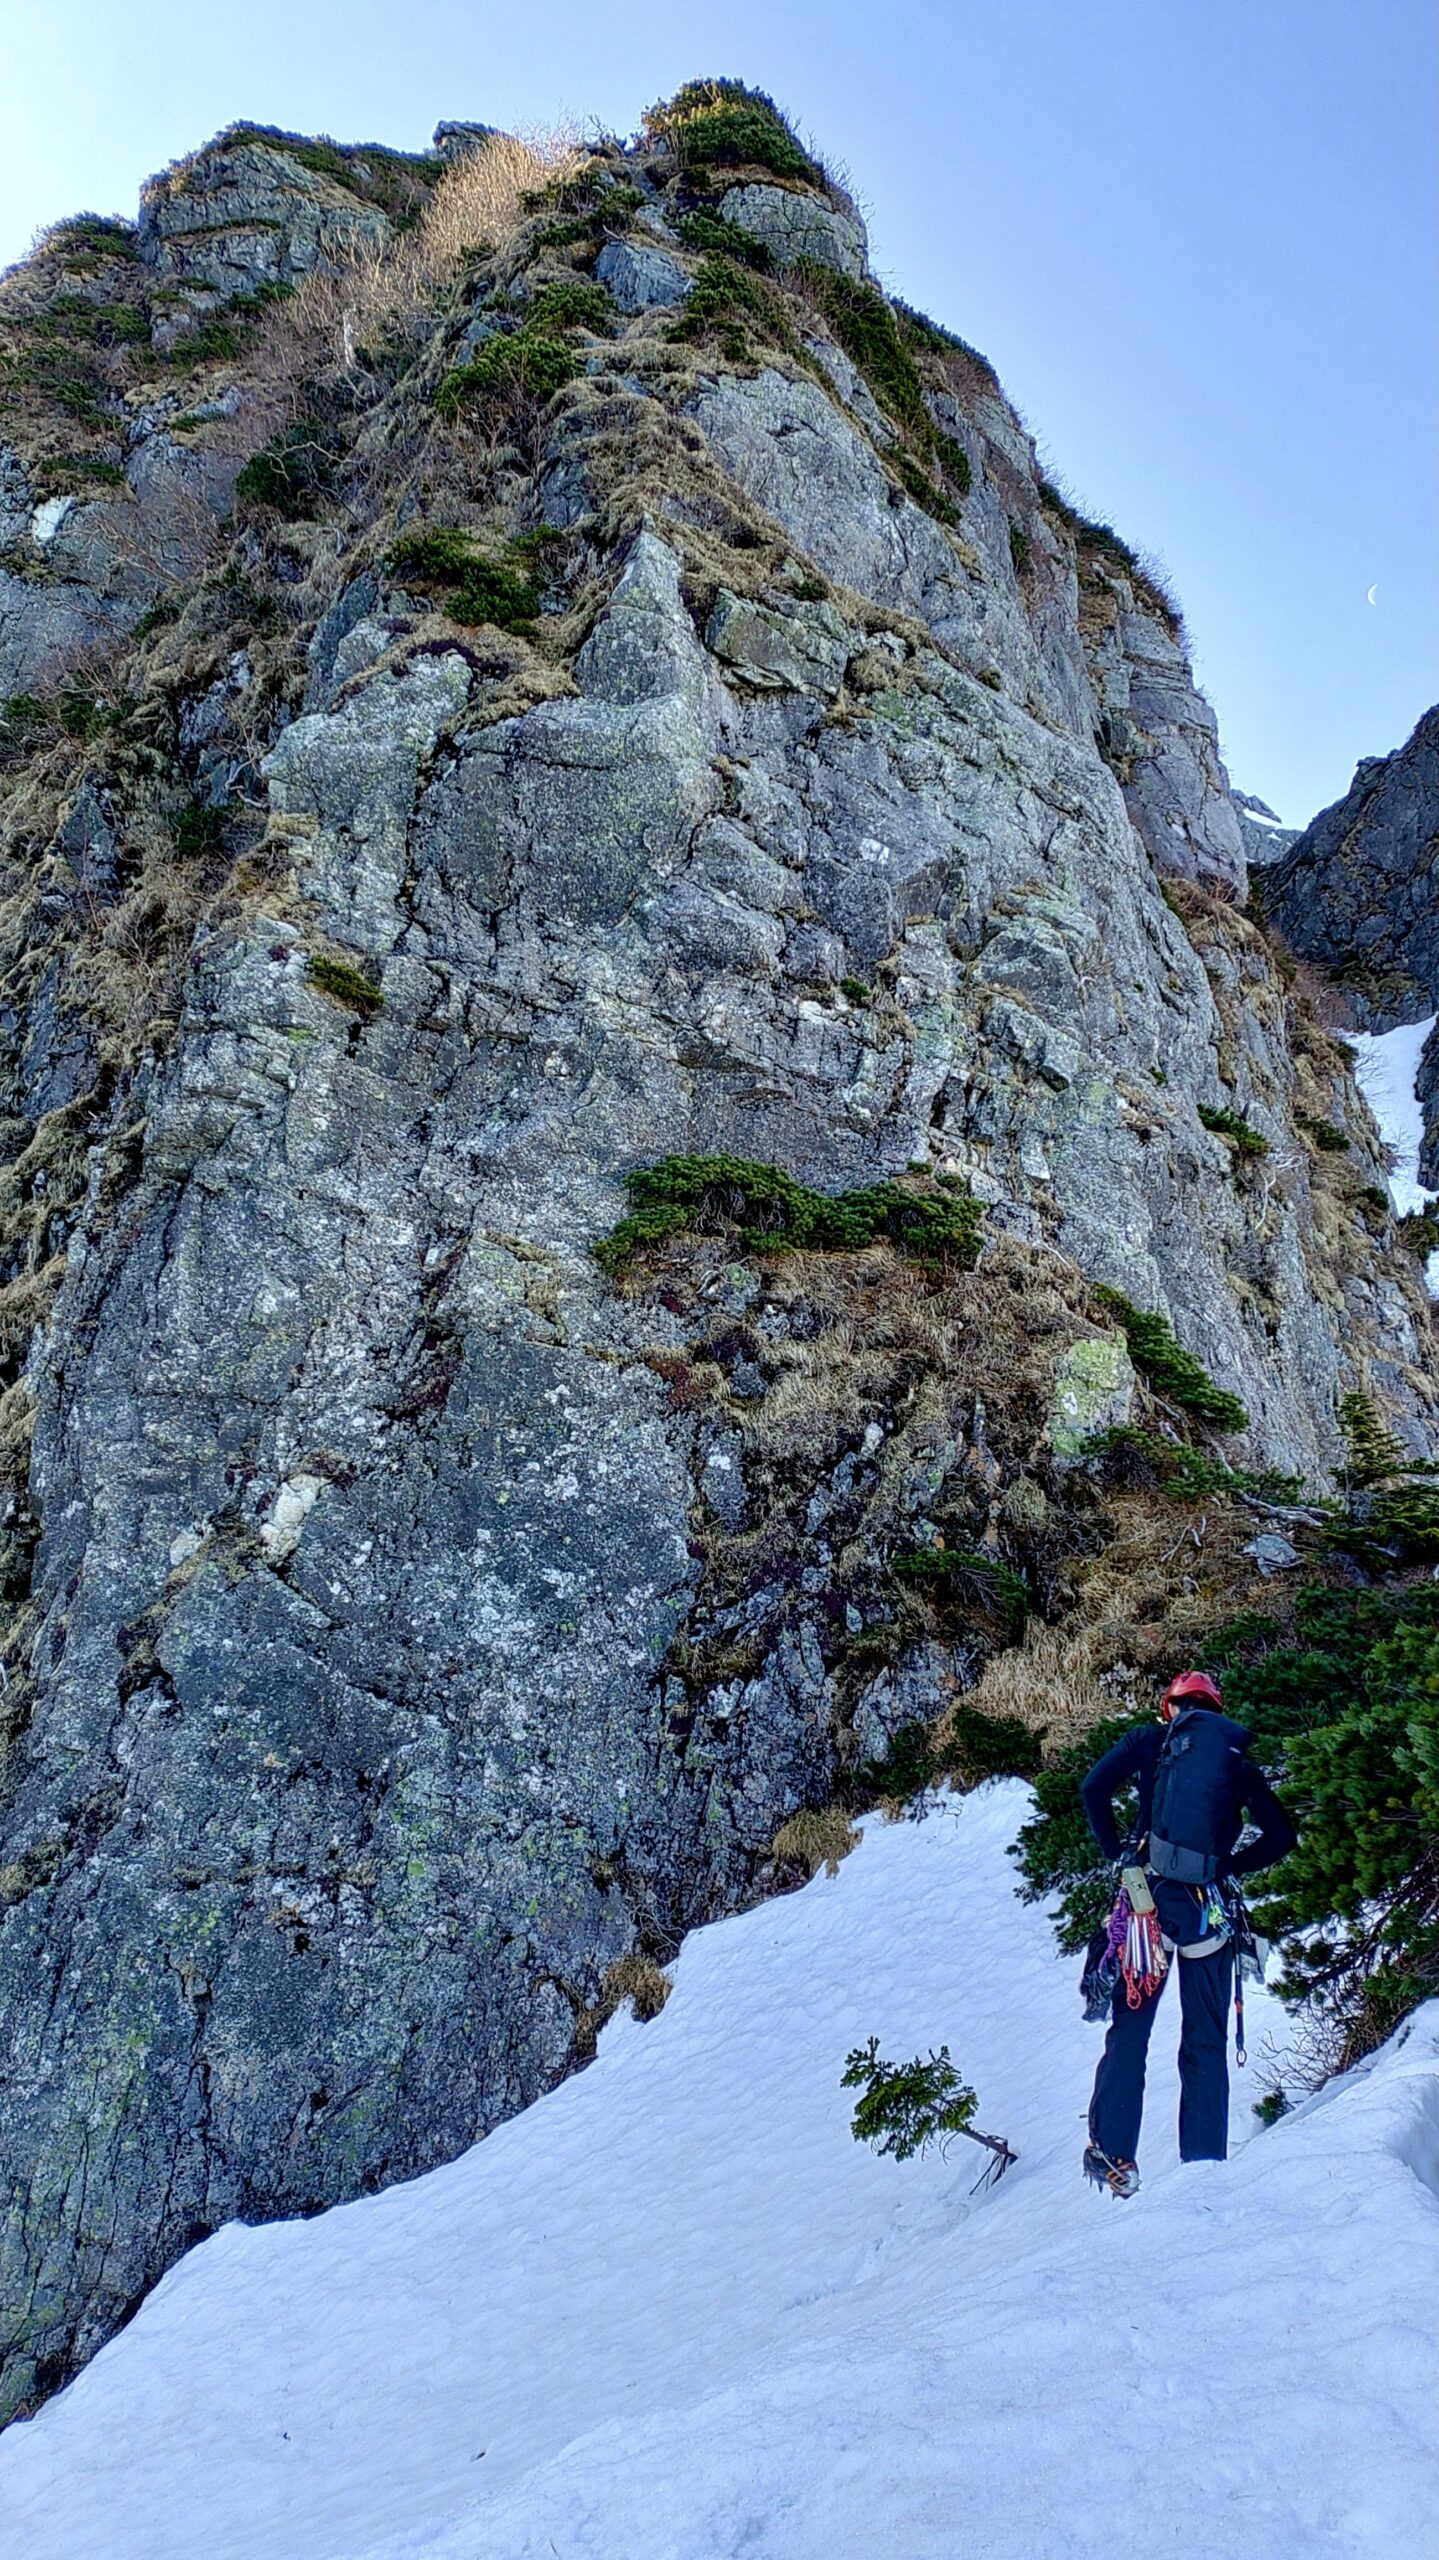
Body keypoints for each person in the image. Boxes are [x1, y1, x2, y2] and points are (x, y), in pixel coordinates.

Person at [1079, 1668, 1294, 2196]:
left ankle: (1114, 2156)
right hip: (1209, 1915)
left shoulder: (1149, 1740)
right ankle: (1203, 2169)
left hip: (1146, 1907)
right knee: (1203, 2040)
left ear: (1168, 1707)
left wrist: (1119, 1853)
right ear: (1215, 1712)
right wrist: (1226, 1867)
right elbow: (1282, 1837)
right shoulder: (1233, 1763)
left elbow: (1092, 1789)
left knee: (1130, 2032)